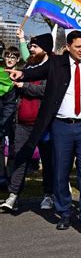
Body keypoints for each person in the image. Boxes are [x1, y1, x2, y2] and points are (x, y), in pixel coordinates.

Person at [2, 30, 81, 235]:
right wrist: (23, 73)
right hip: (61, 126)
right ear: (69, 46)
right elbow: (37, 71)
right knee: (60, 171)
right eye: (78, 47)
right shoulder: (56, 64)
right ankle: (64, 212)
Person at [11, 33, 55, 210]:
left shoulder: (52, 67)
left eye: (34, 47)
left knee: (48, 160)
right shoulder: (28, 65)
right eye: (30, 46)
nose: (31, 49)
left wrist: (24, 86)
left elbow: (46, 90)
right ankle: (13, 195)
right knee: (20, 158)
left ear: (44, 49)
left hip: (43, 124)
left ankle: (48, 195)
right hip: (22, 121)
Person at [0, 47, 22, 189]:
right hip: (3, 116)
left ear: (18, 60)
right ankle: (2, 176)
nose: (10, 59)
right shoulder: (1, 73)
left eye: (13, 57)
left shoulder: (21, 74)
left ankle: (12, 178)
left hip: (16, 118)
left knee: (14, 148)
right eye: (7, 56)